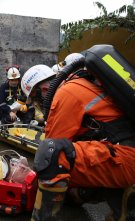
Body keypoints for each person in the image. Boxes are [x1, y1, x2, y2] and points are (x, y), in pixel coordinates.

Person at [21, 62, 135, 220]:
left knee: (54, 154)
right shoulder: (80, 84)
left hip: (124, 159)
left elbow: (51, 148)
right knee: (72, 162)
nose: (37, 104)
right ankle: (121, 206)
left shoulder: (66, 93)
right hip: (122, 154)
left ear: (45, 90)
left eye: (35, 98)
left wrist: (28, 184)